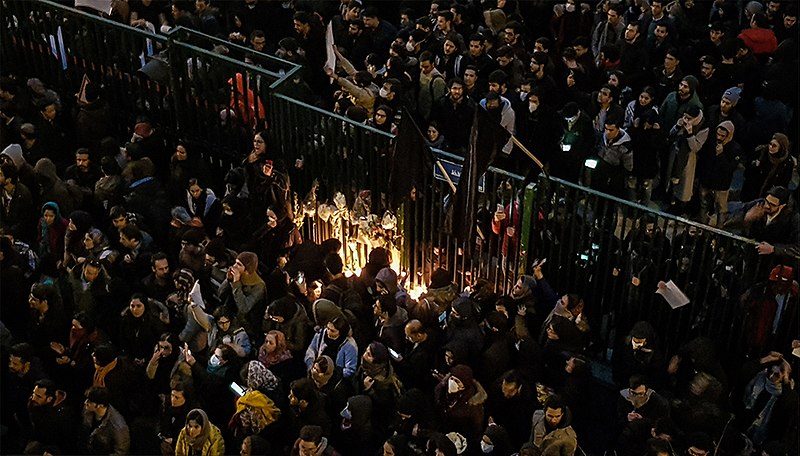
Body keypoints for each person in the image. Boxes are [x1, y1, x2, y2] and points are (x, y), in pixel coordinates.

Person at [727, 186, 800, 259]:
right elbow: (731, 221)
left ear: (782, 206)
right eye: (767, 201)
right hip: (750, 256)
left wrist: (774, 249)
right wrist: (747, 218)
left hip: (775, 262)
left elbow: (797, 248)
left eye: (772, 205)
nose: (767, 206)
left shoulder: (793, 219)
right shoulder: (759, 205)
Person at [80, 386, 130, 455]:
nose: (85, 402)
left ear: (100, 405)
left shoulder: (118, 426)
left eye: (89, 401)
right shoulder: (88, 410)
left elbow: (121, 452)